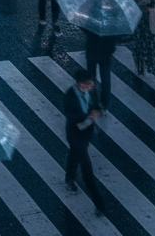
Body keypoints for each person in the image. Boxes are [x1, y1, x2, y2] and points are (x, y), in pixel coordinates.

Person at [63, 69, 105, 214]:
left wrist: (97, 111)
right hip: (75, 135)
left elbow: (96, 105)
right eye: (88, 83)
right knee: (87, 170)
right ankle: (100, 204)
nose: (92, 86)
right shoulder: (69, 96)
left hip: (87, 133)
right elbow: (72, 117)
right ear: (80, 84)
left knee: (74, 155)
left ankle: (69, 178)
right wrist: (89, 115)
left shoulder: (91, 91)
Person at [85, 28, 117, 113]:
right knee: (106, 79)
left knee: (91, 78)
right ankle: (104, 104)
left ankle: (93, 103)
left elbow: (85, 29)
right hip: (106, 52)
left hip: (92, 50)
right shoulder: (111, 21)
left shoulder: (91, 19)